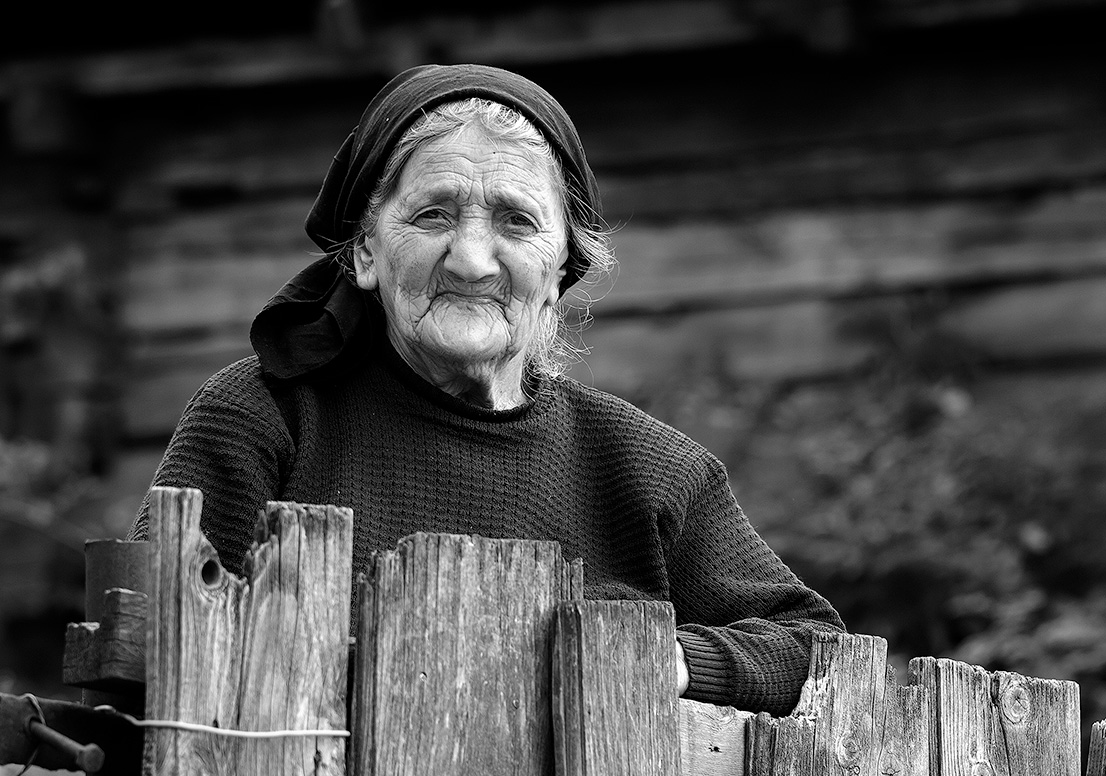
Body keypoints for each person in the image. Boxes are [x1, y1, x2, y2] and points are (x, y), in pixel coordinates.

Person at [129, 63, 844, 716]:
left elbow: (814, 648)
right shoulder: (266, 416)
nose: (471, 260)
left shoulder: (648, 471)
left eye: (516, 221)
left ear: (560, 268)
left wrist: (660, 658)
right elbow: (146, 635)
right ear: (367, 251)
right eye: (433, 214)